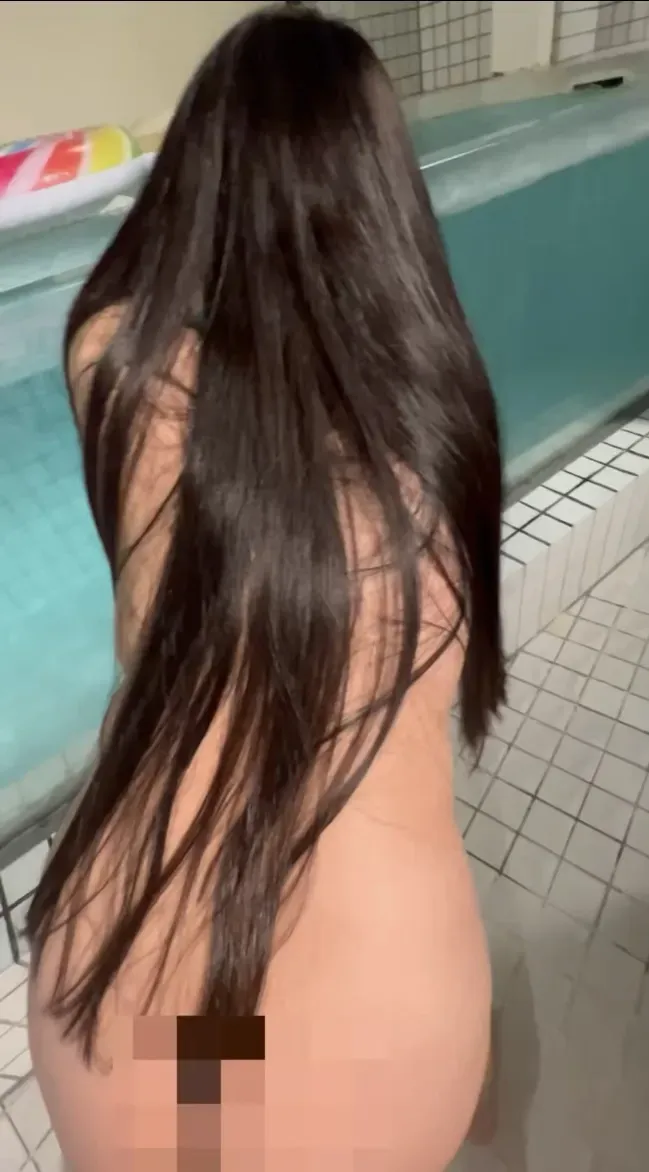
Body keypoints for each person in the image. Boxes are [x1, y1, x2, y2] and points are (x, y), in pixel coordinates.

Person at [26, 5, 504, 1169]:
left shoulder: (121, 376)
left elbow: (120, 305)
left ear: (199, 179)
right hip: (382, 1021)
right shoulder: (441, 417)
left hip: (157, 979)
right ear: (386, 199)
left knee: (207, 1140)